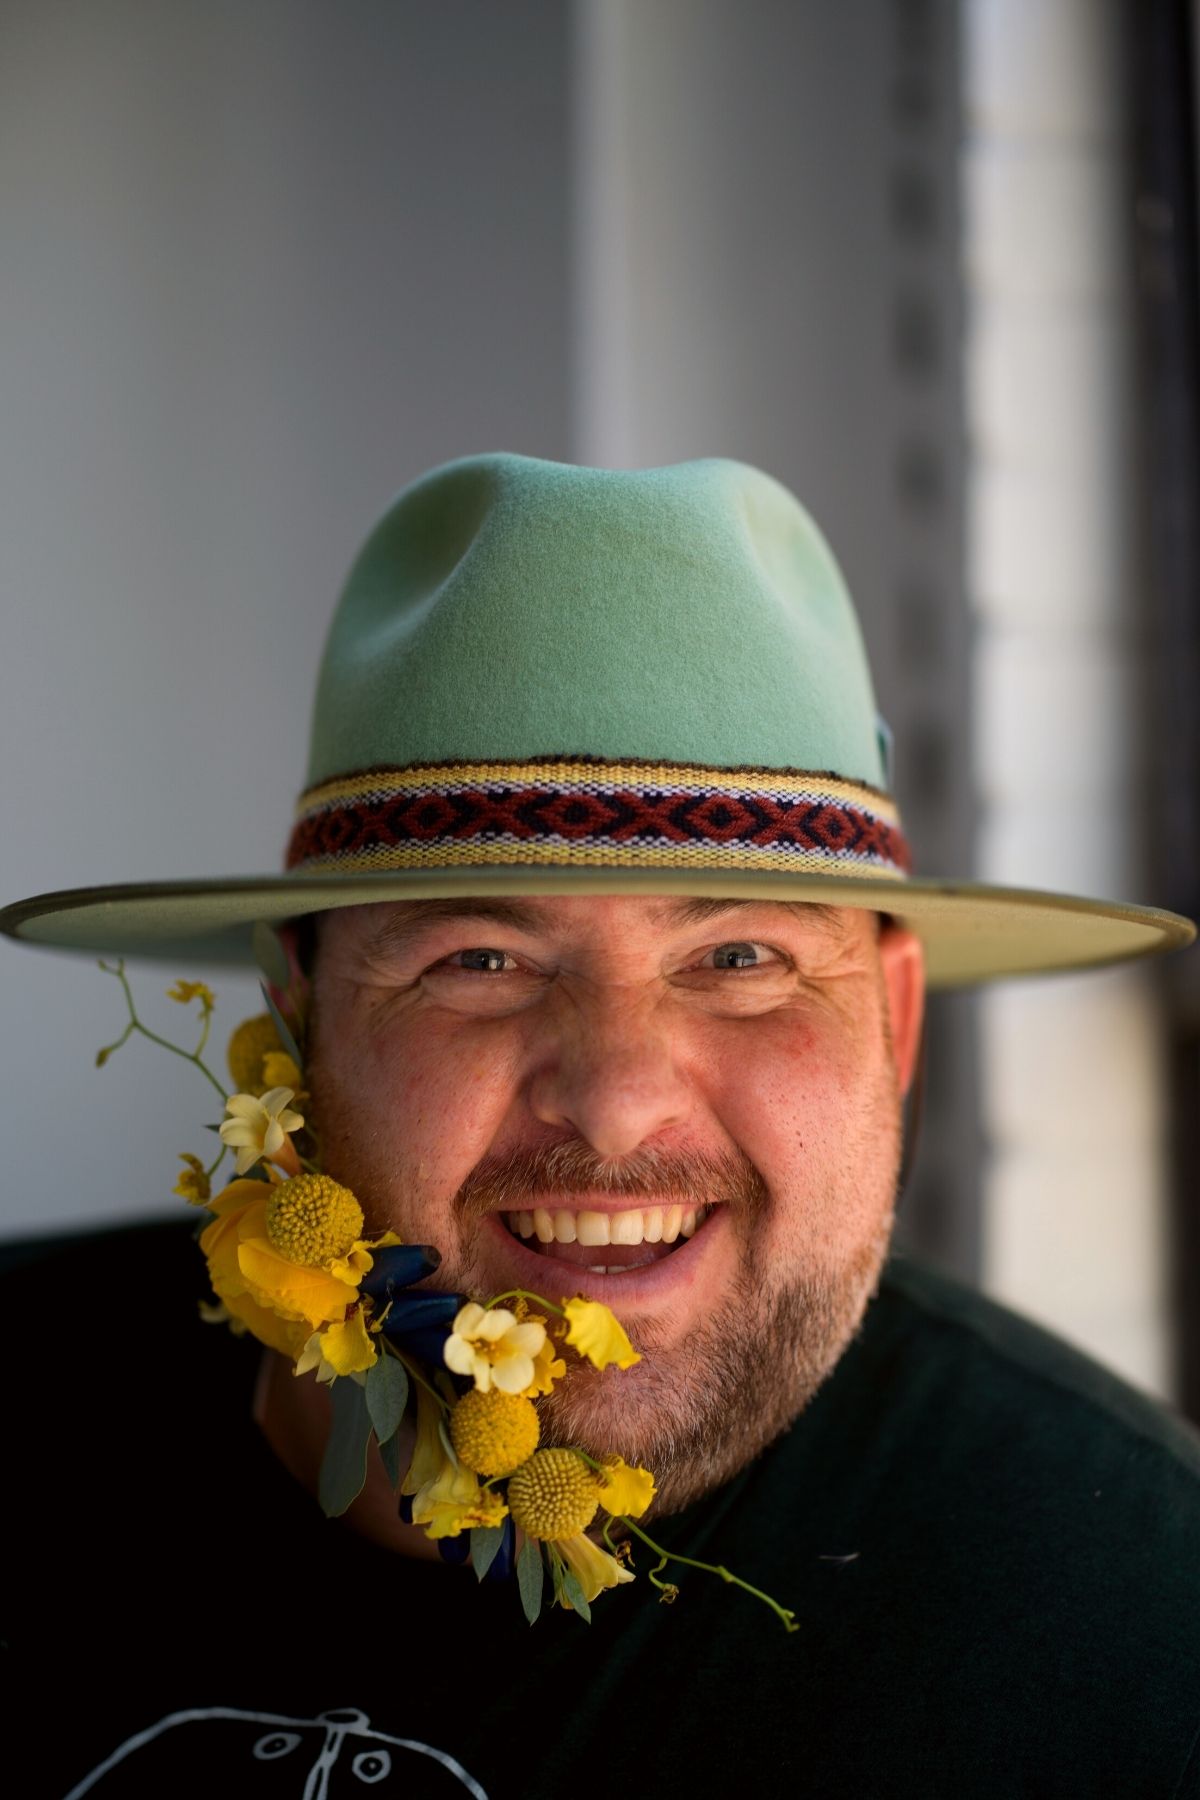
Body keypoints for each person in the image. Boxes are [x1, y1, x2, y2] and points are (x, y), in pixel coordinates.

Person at [3, 453, 1198, 1800]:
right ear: (301, 1017)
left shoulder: (1139, 1623)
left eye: (742, 959)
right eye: (482, 961)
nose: (620, 1096)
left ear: (897, 1024)